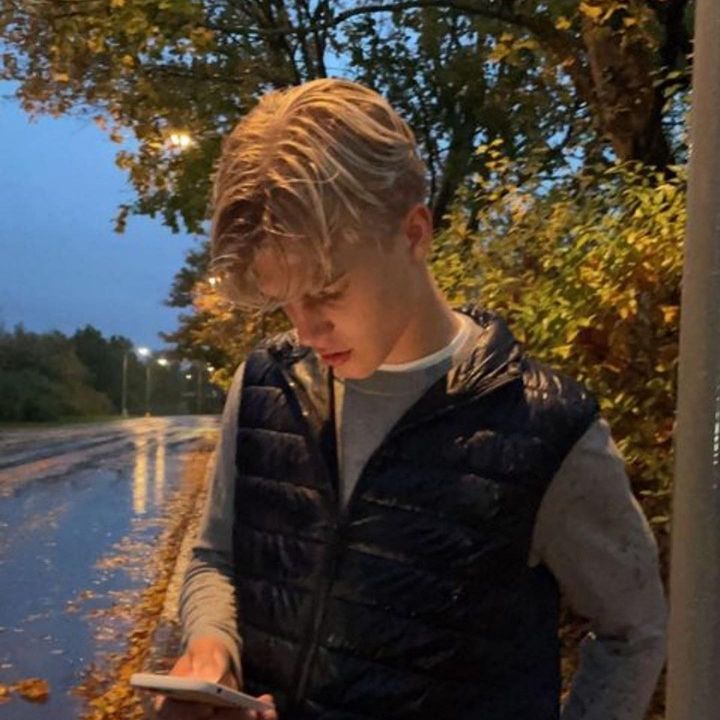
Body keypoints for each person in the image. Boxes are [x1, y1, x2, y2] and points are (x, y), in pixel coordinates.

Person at [155, 77, 667, 720]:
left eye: (327, 291)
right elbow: (215, 558)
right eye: (285, 299)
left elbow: (632, 631)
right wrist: (211, 645)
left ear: (415, 234)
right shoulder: (265, 384)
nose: (305, 330)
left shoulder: (546, 428)